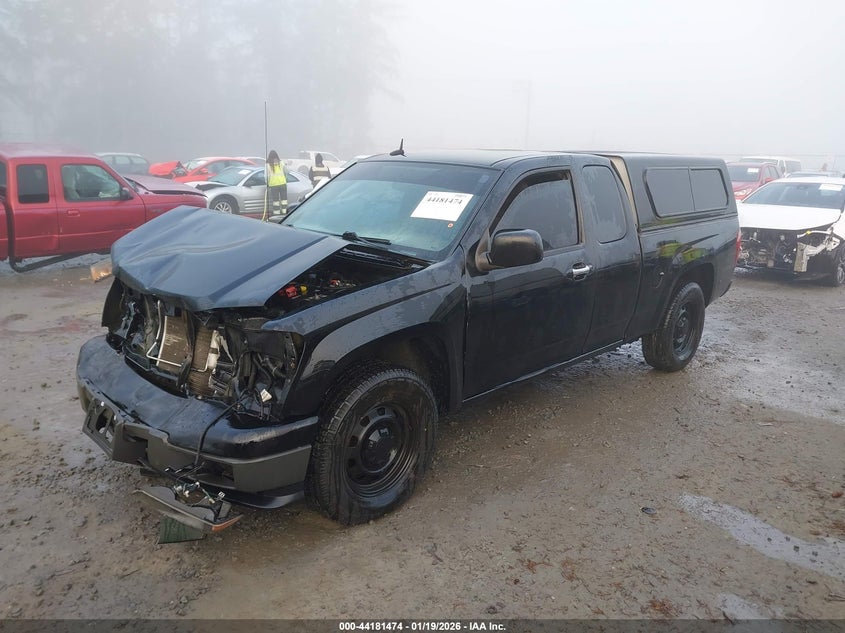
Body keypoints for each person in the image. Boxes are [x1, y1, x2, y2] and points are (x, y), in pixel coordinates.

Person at [266, 150, 287, 215]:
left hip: (273, 185)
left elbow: (266, 176)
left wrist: (267, 183)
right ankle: (284, 213)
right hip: (283, 184)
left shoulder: (268, 165)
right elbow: (286, 172)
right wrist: (285, 179)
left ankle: (276, 214)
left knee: (276, 201)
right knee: (284, 200)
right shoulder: (281, 163)